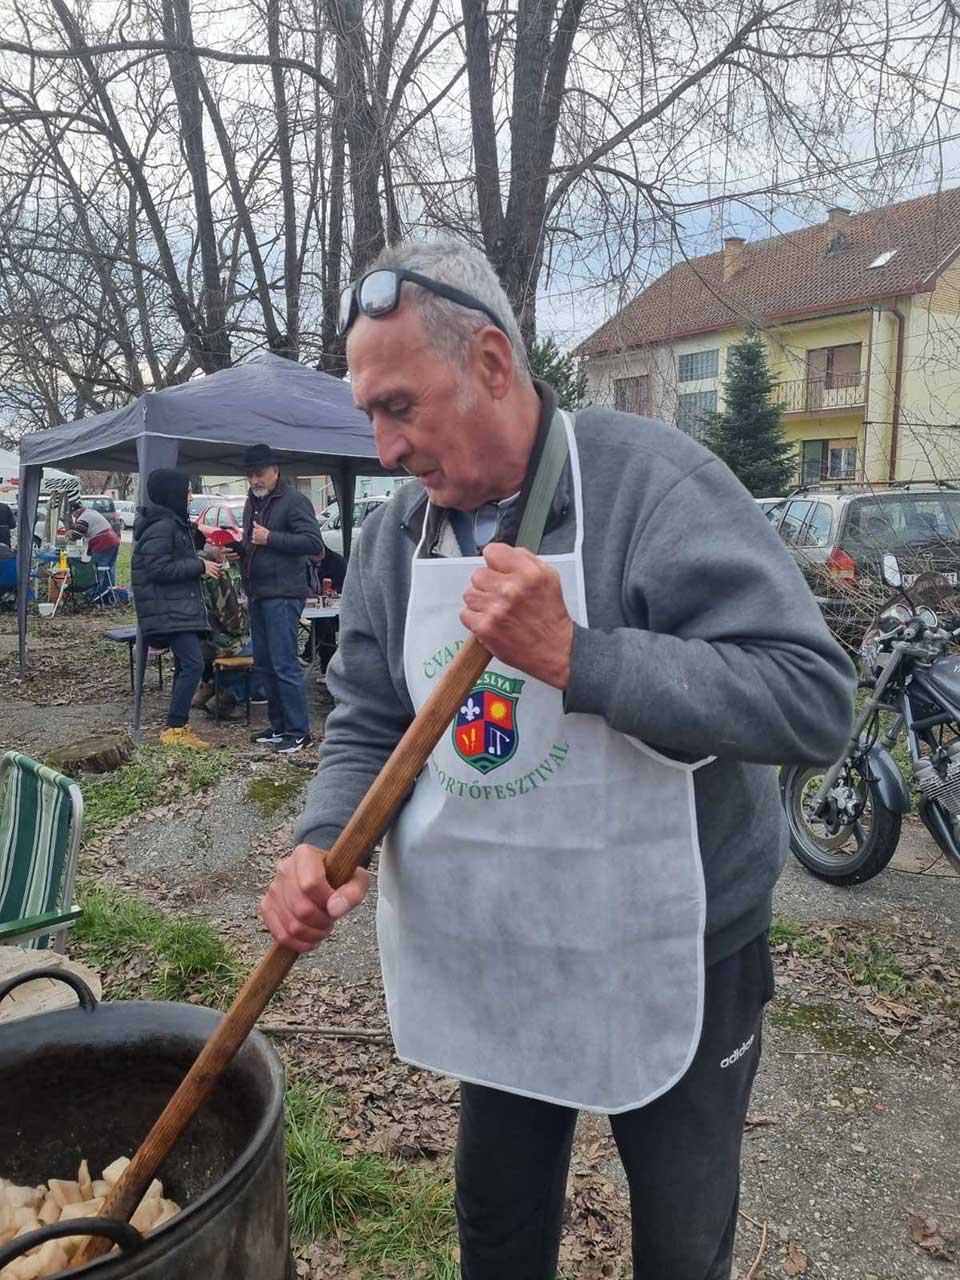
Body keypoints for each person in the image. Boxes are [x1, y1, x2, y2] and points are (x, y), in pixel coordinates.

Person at [260, 240, 856, 1280]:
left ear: (492, 361)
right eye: (369, 415)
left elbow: (810, 697)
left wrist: (583, 657)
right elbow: (368, 716)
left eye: (399, 406)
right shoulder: (399, 540)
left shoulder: (652, 486)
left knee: (680, 1242)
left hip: (676, 944)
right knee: (497, 1230)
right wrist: (322, 842)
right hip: (504, 941)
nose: (384, 447)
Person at [236, 443, 324, 755]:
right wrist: (237, 549)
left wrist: (270, 538)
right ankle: (278, 727)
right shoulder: (252, 502)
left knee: (285, 663)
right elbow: (253, 544)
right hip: (259, 593)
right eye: (249, 475)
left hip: (284, 594)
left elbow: (314, 543)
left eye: (259, 474)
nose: (254, 480)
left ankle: (299, 732)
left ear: (275, 470)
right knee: (266, 664)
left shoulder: (294, 501)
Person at [132, 469, 223, 750]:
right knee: (194, 665)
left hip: (177, 609)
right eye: (187, 492)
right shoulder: (162, 527)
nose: (191, 496)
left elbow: (182, 551)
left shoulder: (173, 523)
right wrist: (199, 566)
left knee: (187, 665)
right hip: (169, 612)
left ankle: (178, 727)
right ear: (174, 494)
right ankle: (174, 728)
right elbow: (157, 568)